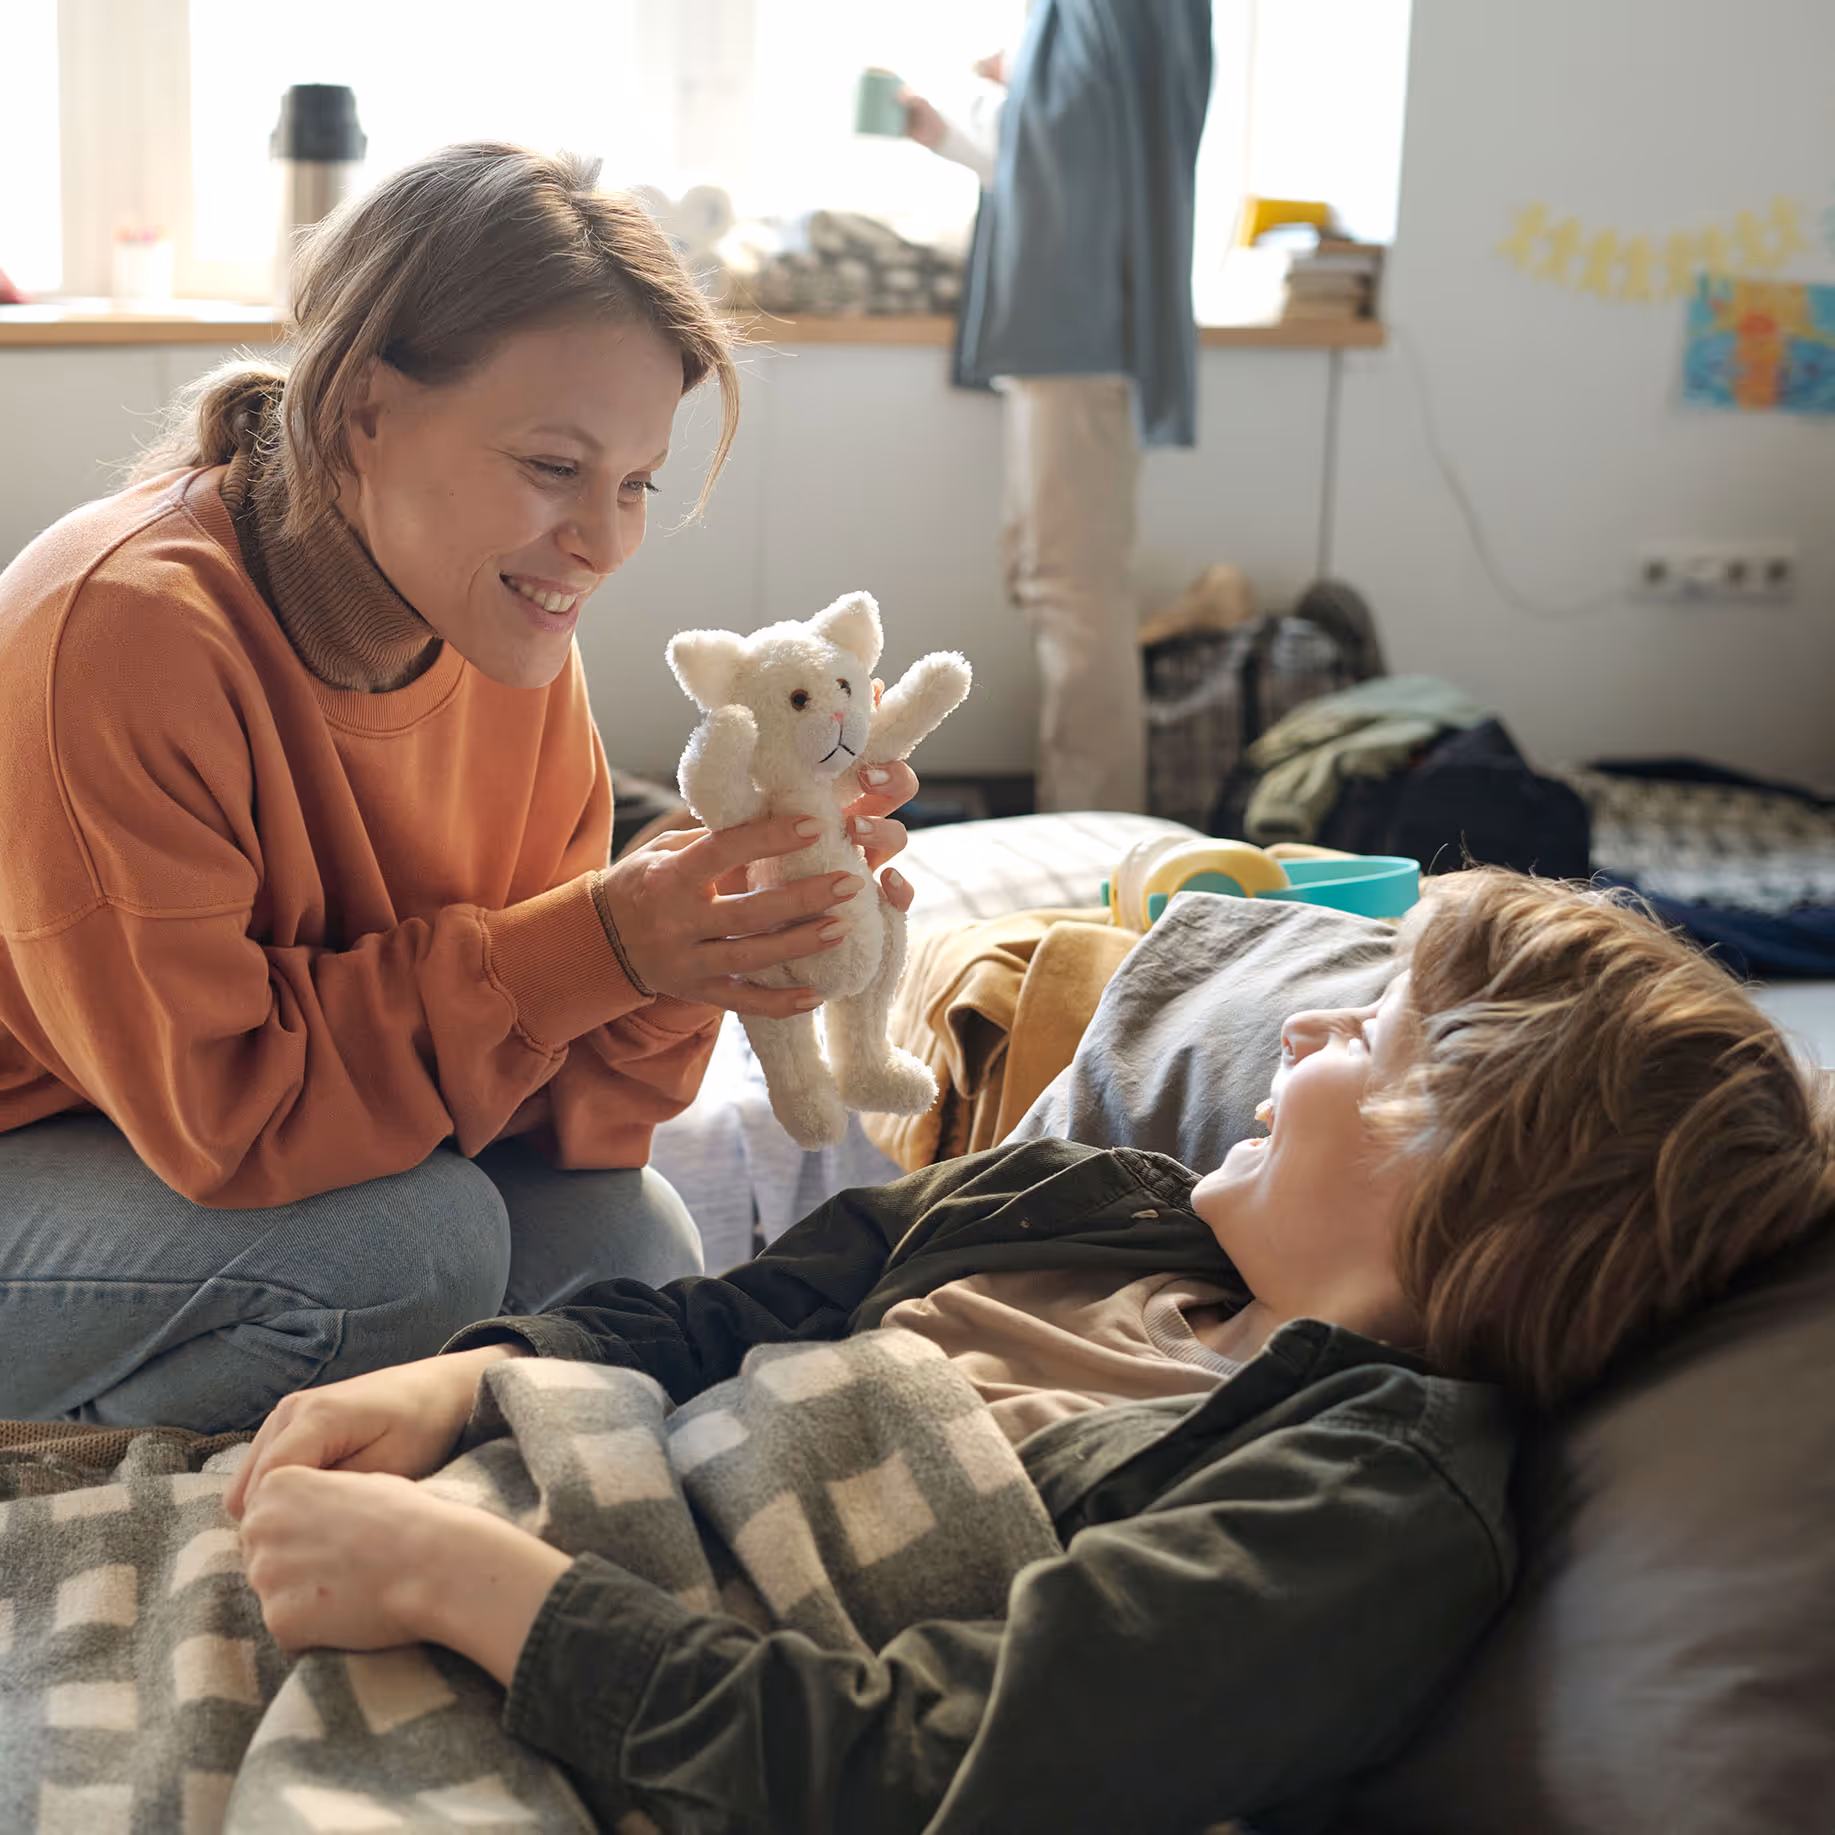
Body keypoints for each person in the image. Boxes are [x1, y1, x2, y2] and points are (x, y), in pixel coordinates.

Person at [228, 869, 1835, 1831]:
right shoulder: (1089, 1197)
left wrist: (457, 1581)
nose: (1293, 1027)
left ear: (1474, 1159)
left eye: (1370, 1031)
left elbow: (917, 1769)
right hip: (490, 1500)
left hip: (563, 1663)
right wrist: (460, 1375)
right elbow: (727, 1312)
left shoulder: (1367, 1508)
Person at [0, 143, 923, 1434]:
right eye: (553, 467)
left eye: (634, 483)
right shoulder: (121, 630)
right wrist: (594, 940)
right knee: (399, 1254)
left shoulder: (501, 627)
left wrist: (697, 948)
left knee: (621, 1244)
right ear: (365, 410)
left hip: (175, 1142)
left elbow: (568, 1118)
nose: (600, 543)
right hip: (66, 1144)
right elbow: (225, 1115)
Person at [902, 0, 1213, 815]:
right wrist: (964, 120)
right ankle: (1083, 823)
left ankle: (1092, 830)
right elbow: (1058, 156)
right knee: (1057, 581)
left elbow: (1060, 157)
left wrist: (986, 100)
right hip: (1074, 335)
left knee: (1073, 592)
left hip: (1079, 337)